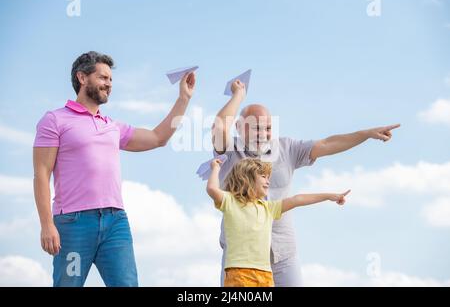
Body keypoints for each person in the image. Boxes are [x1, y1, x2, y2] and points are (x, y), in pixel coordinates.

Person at [211, 79, 400, 286]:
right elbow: (220, 125)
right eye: (256, 128)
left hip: (283, 254)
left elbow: (327, 144)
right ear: (239, 127)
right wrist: (238, 94)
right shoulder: (229, 152)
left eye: (267, 128)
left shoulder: (286, 148)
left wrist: (366, 134)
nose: (263, 134)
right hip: (241, 261)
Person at [33, 51, 196, 286]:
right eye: (103, 78)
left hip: (115, 222)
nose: (109, 84)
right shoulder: (54, 120)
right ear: (82, 77)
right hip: (73, 224)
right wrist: (47, 225)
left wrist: (184, 99)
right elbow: (41, 174)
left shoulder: (112, 127)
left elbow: (158, 138)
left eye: (110, 80)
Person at [207, 158, 350, 287]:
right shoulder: (230, 201)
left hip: (265, 274)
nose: (268, 181)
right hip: (239, 272)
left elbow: (297, 199)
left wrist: (329, 196)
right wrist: (215, 168)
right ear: (247, 178)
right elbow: (212, 189)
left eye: (268, 177)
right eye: (263, 176)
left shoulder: (269, 208)